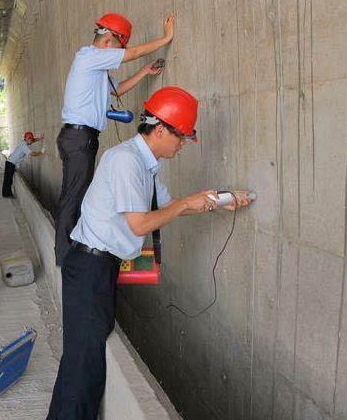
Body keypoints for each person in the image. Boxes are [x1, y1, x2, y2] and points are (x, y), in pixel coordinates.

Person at [45, 87, 253, 420]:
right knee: (82, 369)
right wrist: (186, 202)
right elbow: (141, 224)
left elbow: (169, 208)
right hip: (89, 266)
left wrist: (218, 202)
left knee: (85, 363)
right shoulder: (125, 160)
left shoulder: (146, 165)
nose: (183, 144)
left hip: (100, 267)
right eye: (181, 136)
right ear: (160, 130)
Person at [54, 12, 175, 265]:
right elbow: (131, 54)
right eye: (120, 46)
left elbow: (116, 89)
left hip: (82, 137)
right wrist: (166, 38)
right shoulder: (89, 56)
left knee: (78, 194)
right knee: (73, 197)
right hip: (79, 137)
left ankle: (70, 251)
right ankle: (65, 257)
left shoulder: (97, 70)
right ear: (109, 39)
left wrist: (144, 72)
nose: (120, 53)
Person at [2, 131, 44, 198]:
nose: (31, 141)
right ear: (26, 139)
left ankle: (6, 193)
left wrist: (39, 138)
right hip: (10, 163)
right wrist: (40, 152)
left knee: (8, 179)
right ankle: (6, 194)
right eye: (30, 139)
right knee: (8, 180)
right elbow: (32, 154)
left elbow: (32, 141)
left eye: (31, 139)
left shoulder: (24, 142)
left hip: (11, 163)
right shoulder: (24, 146)